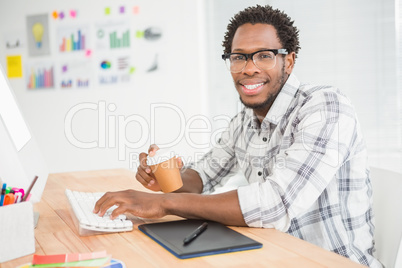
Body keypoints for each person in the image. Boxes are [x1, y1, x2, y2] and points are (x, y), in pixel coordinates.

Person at [94, 5, 381, 267]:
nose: (249, 68)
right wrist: (165, 176)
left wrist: (163, 203)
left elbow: (274, 203)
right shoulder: (244, 121)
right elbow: (202, 178)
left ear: (290, 61)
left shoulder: (325, 106)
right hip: (272, 256)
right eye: (239, 57)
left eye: (264, 56)